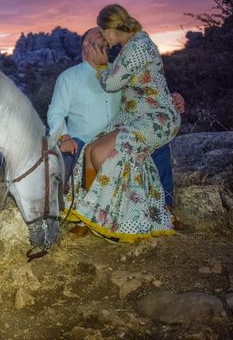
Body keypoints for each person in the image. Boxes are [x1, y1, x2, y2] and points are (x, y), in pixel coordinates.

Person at [47, 28, 186, 233]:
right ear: (86, 46)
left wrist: (172, 99)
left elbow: (146, 94)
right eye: (98, 36)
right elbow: (56, 111)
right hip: (84, 140)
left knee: (160, 146)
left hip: (121, 136)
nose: (105, 39)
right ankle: (84, 219)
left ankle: (167, 211)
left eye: (105, 36)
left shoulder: (119, 72)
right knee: (85, 151)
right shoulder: (69, 77)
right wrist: (64, 136)